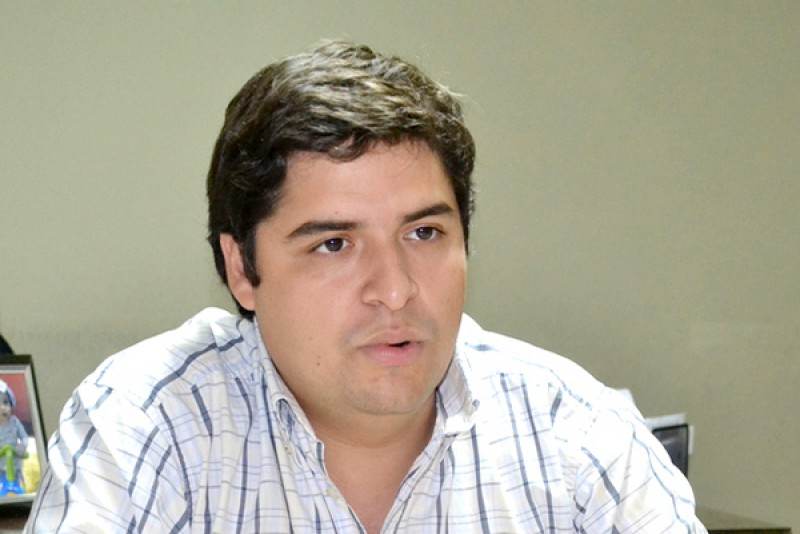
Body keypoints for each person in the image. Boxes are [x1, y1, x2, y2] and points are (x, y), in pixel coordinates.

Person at [26, 41, 706, 533]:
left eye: (424, 233)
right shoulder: (148, 426)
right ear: (241, 270)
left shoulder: (576, 434)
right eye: (334, 244)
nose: (395, 290)